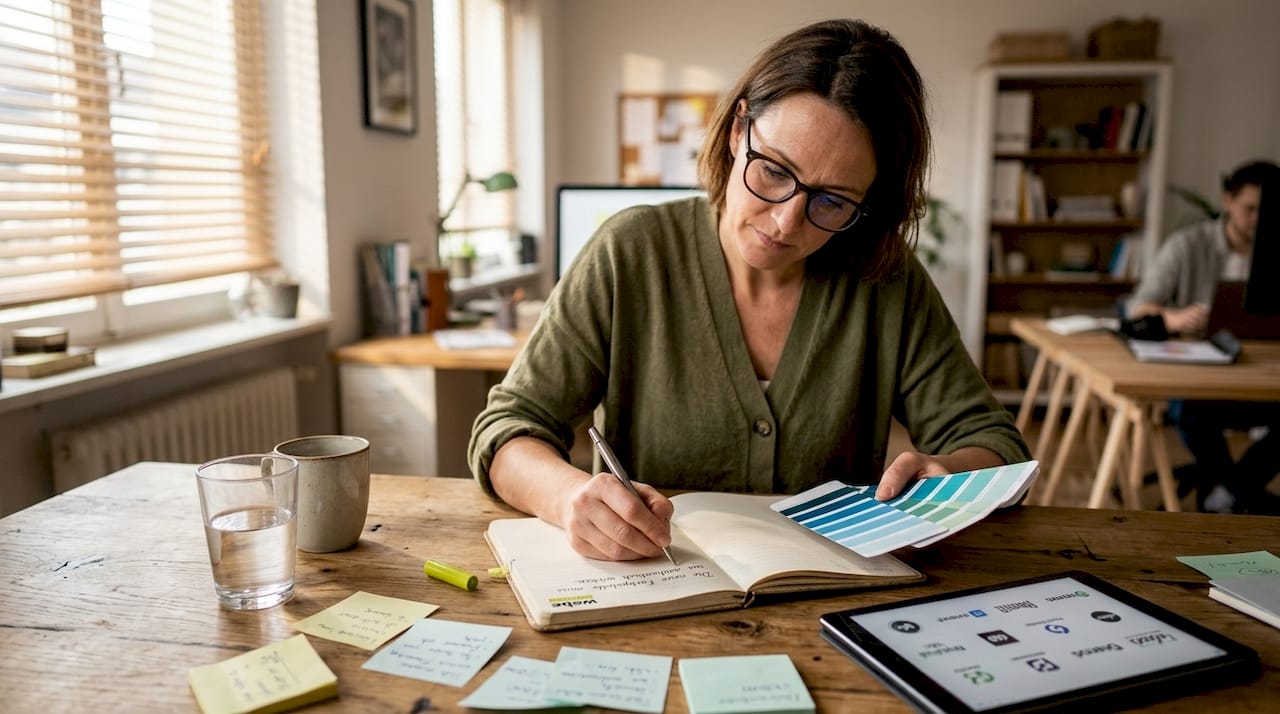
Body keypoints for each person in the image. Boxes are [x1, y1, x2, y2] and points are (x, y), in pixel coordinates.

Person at [468, 19, 1030, 561]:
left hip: (827, 608)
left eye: (832, 201)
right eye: (774, 171)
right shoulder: (631, 253)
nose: (786, 222)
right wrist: (570, 499)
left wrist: (949, 476)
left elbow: (996, 446)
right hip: (647, 590)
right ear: (738, 131)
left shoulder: (885, 281)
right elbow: (507, 429)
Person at [1128, 159, 1280, 514]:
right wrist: (1173, 317)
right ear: (1227, 201)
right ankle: (1240, 496)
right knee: (1192, 413)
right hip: (1199, 381)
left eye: (1268, 210)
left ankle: (1229, 494)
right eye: (1249, 209)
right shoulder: (1187, 245)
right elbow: (1138, 308)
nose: (1258, 220)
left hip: (1263, 376)